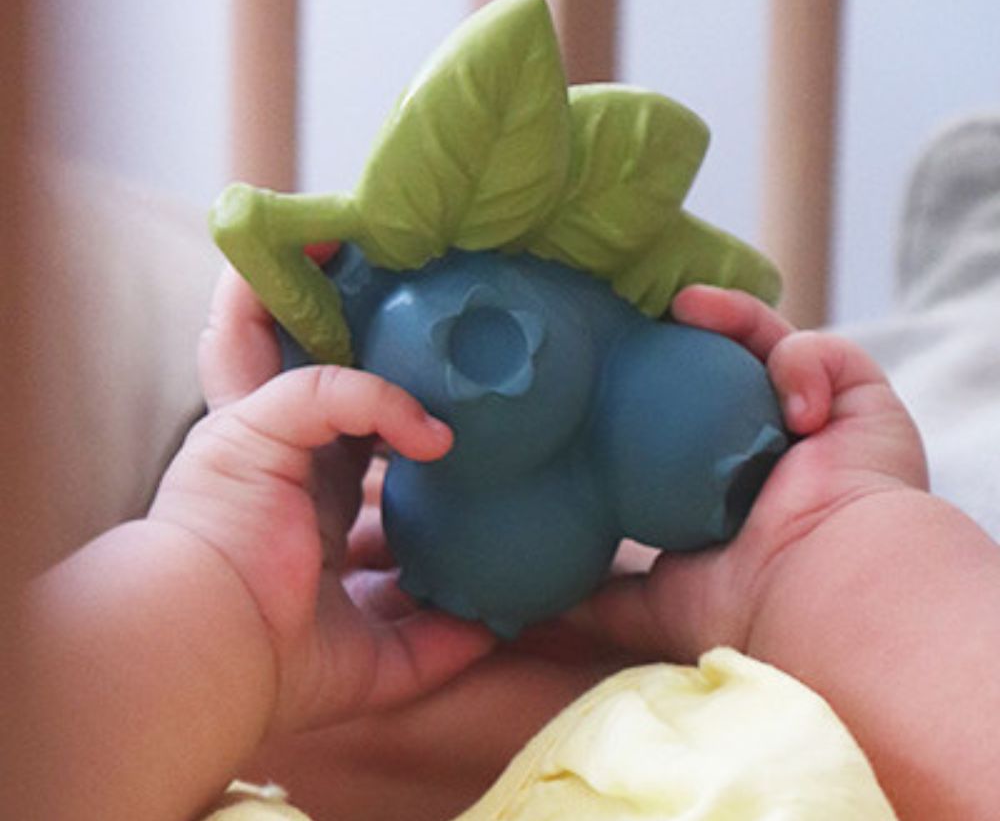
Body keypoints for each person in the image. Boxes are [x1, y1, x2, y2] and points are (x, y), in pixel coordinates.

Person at [22, 264, 1000, 820]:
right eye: (353, 482)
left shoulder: (785, 724)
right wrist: (222, 592)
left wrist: (820, 557)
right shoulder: (177, 769)